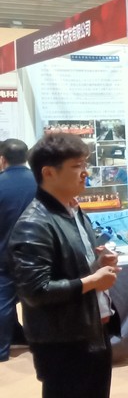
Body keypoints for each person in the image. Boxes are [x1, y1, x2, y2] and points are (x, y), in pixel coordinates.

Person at [8, 133, 120, 398]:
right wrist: (92, 281)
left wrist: (98, 264)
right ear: (48, 173)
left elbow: (75, 266)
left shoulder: (73, 210)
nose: (85, 172)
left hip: (93, 331)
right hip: (64, 343)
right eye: (76, 166)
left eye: (85, 164)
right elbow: (35, 290)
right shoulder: (34, 223)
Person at [0, 138, 37, 361]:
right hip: (38, 252)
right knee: (38, 298)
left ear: (2, 159)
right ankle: (34, 340)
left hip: (4, 253)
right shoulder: (41, 181)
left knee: (3, 301)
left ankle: (2, 349)